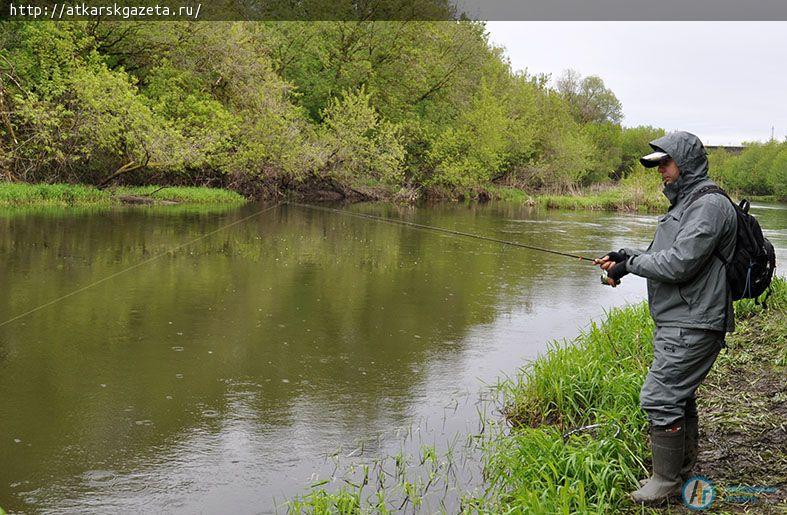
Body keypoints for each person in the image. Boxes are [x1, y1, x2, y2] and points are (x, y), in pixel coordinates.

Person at [595, 131, 737, 505]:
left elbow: (679, 263)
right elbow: (664, 251)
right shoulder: (687, 202)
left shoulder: (708, 206)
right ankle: (682, 469)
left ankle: (665, 480)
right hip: (681, 318)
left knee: (659, 397)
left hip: (694, 321)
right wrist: (624, 259)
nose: (661, 172)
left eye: (666, 164)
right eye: (658, 166)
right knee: (679, 395)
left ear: (686, 164)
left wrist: (632, 263)